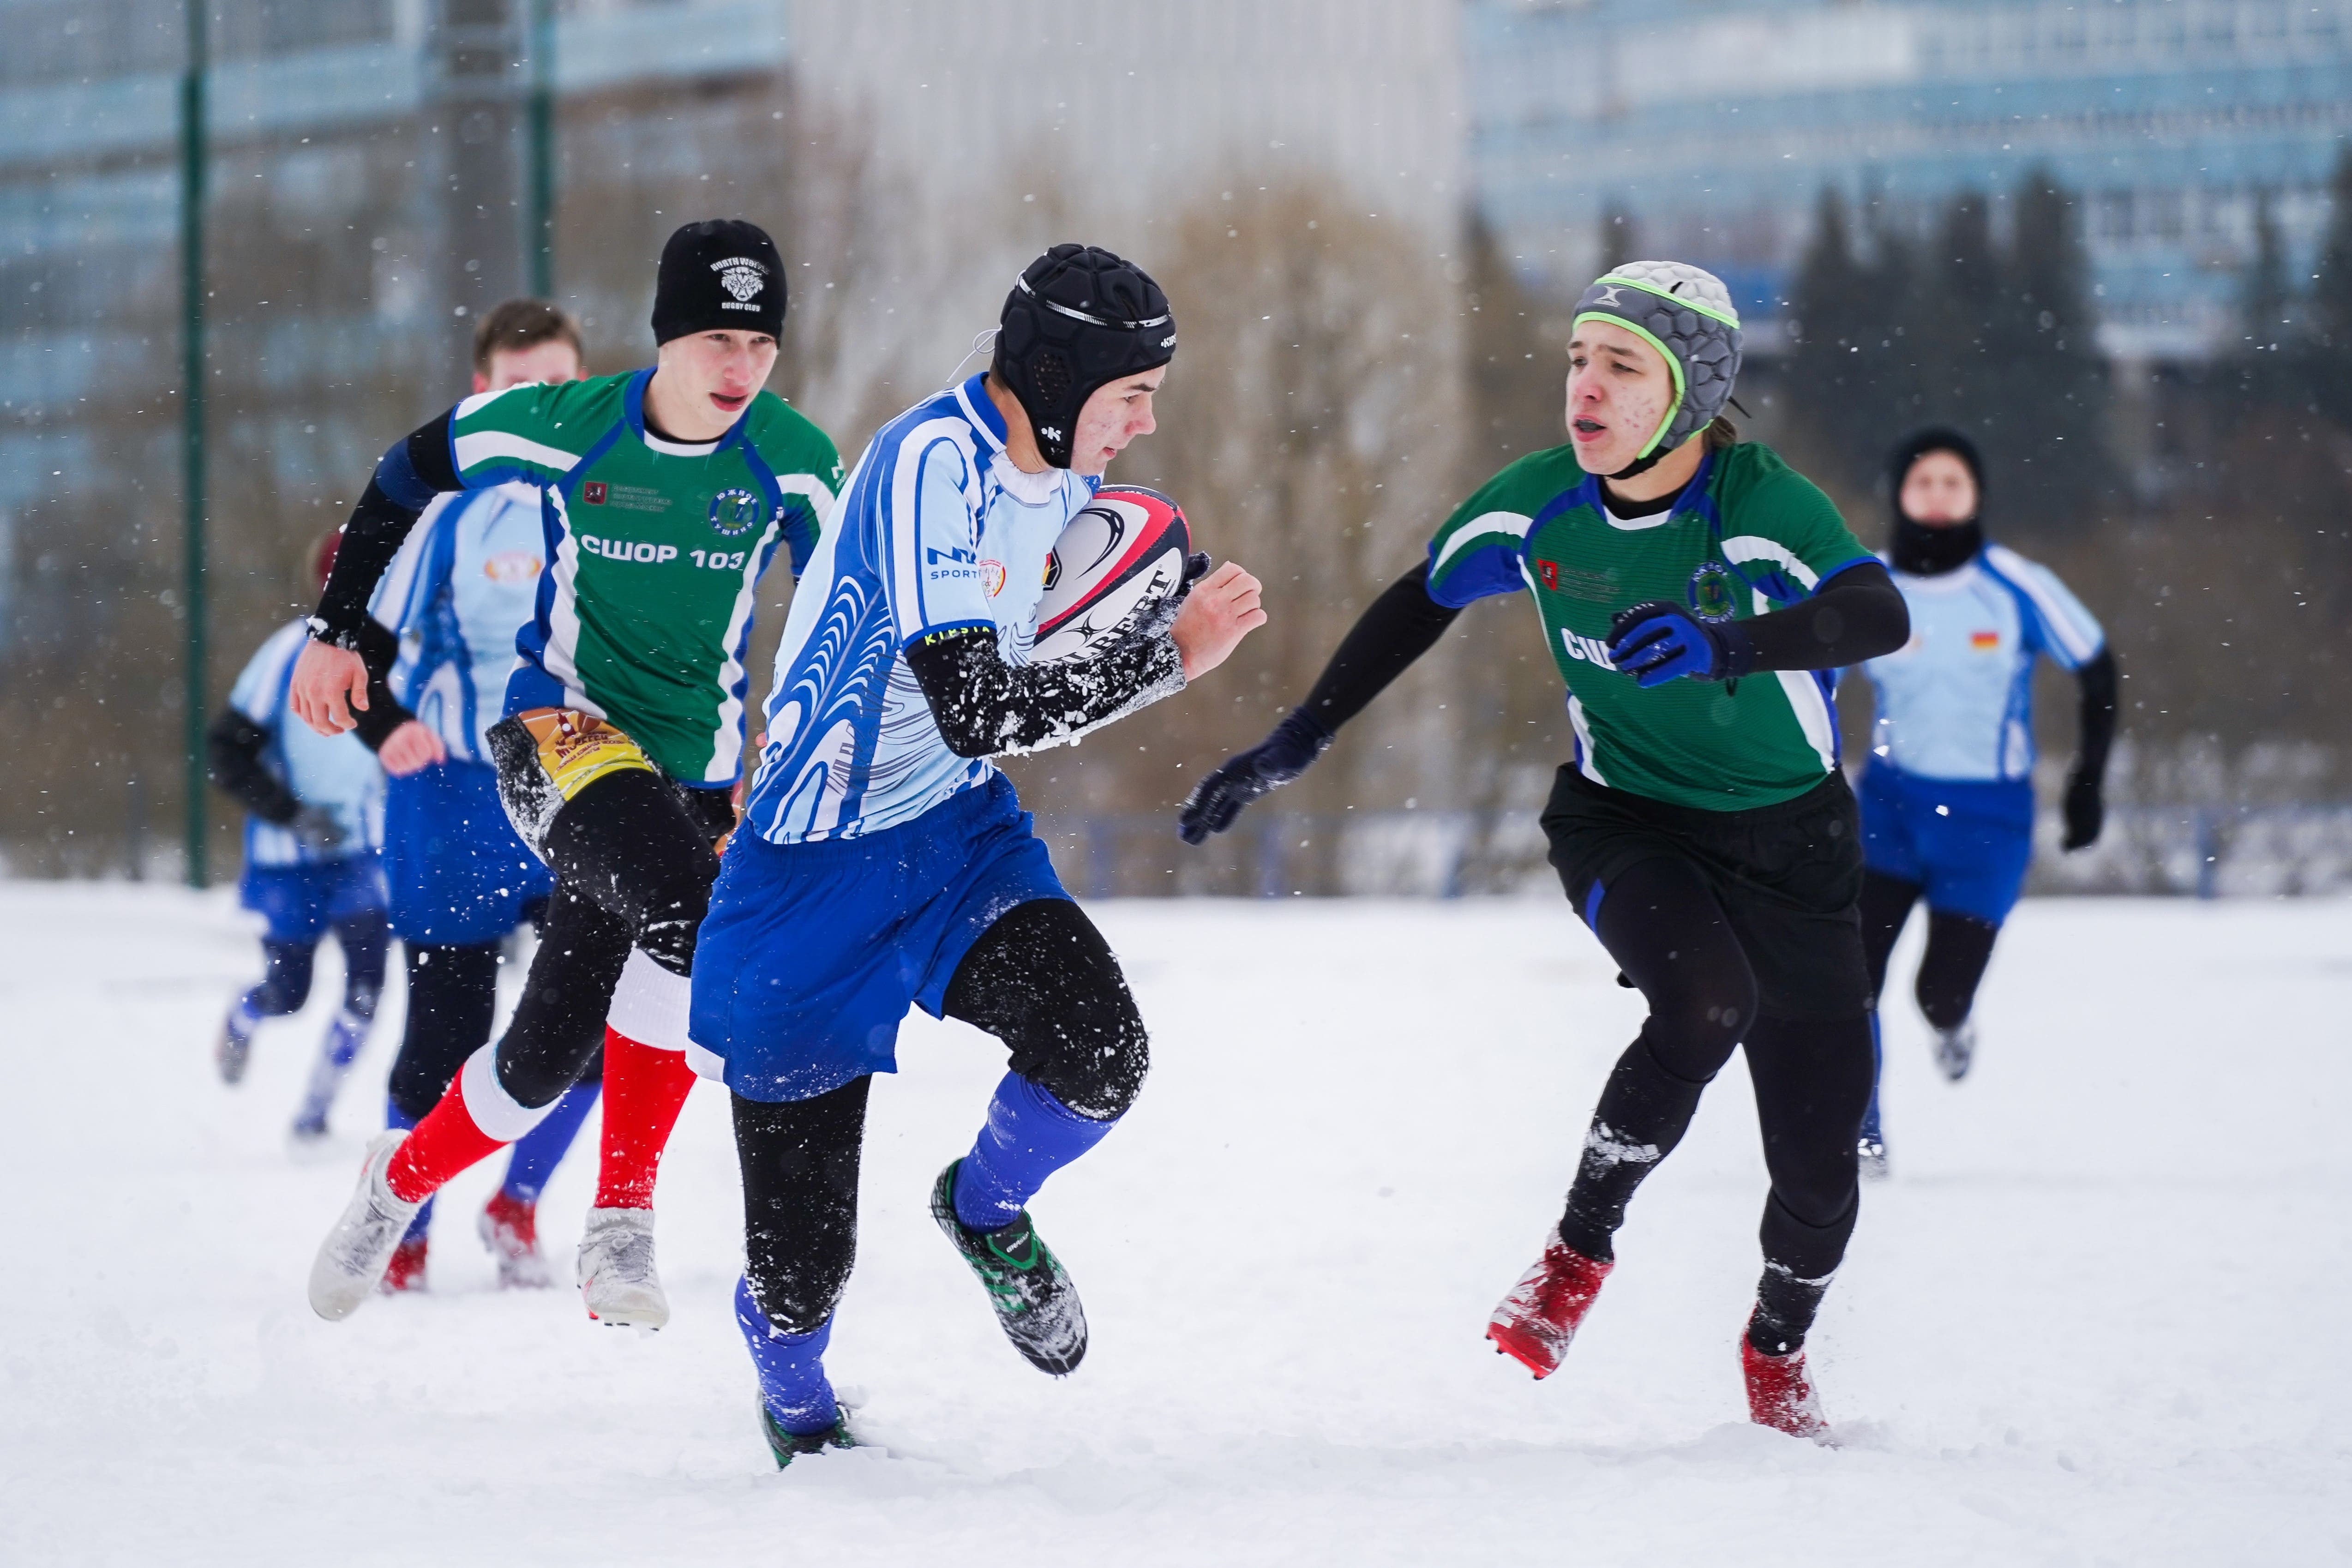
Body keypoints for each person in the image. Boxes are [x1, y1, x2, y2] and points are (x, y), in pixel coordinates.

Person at [1178, 261, 1910, 1440]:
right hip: (1623, 816)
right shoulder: (1536, 504)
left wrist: (1731, 644)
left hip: (1795, 844)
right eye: (1578, 358)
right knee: (1704, 1000)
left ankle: (1776, 1346)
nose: (1585, 385)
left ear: (1689, 392)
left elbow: (1880, 612)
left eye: (1621, 365)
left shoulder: (1762, 504)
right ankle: (1577, 1250)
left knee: (1820, 1169)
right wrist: (1294, 740)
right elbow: (1421, 598)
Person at [692, 244, 1266, 1467]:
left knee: (1099, 1051)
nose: (1149, 419)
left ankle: (986, 1211)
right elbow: (980, 707)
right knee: (803, 1266)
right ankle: (793, 1388)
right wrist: (1169, 657)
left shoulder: (1070, 474)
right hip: (804, 880)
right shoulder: (927, 464)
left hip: (955, 837)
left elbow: (1007, 694)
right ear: (1056, 377)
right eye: (1136, 392)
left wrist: (1145, 611)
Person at [298, 219, 845, 1329]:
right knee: (696, 917)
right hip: (557, 731)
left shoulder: (795, 459)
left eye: (760, 343)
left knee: (543, 1057)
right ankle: (620, 1223)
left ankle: (393, 1183)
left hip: (687, 774)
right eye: (715, 340)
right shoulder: (566, 426)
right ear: (663, 339)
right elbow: (404, 471)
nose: (739, 368)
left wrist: (792, 753)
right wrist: (338, 627)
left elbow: (847, 613)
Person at [365, 299, 605, 1292]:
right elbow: (356, 641)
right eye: (518, 387)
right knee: (447, 1029)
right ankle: (400, 1220)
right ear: (482, 395)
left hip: (580, 785)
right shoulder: (447, 509)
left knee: (592, 1019)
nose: (540, 403)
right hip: (459, 797)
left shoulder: (616, 493)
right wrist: (388, 726)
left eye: (556, 382)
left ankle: (517, 1204)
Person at [1847, 428, 2115, 1176]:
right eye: (1922, 481)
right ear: (1899, 493)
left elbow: (2097, 670)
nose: (1937, 496)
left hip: (1987, 821)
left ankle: (1952, 1023)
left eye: (1952, 482)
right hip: (1889, 810)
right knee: (1851, 977)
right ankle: (1861, 1133)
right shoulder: (1863, 581)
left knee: (1938, 992)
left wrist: (2087, 782)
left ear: (1976, 496)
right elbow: (1806, 666)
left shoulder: (2014, 584)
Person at [207, 532, 389, 1143]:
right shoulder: (288, 652)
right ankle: (245, 1013)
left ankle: (315, 1114)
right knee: (291, 992)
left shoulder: (397, 655)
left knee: (367, 989)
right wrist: (292, 814)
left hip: (360, 851)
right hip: (290, 858)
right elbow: (225, 750)